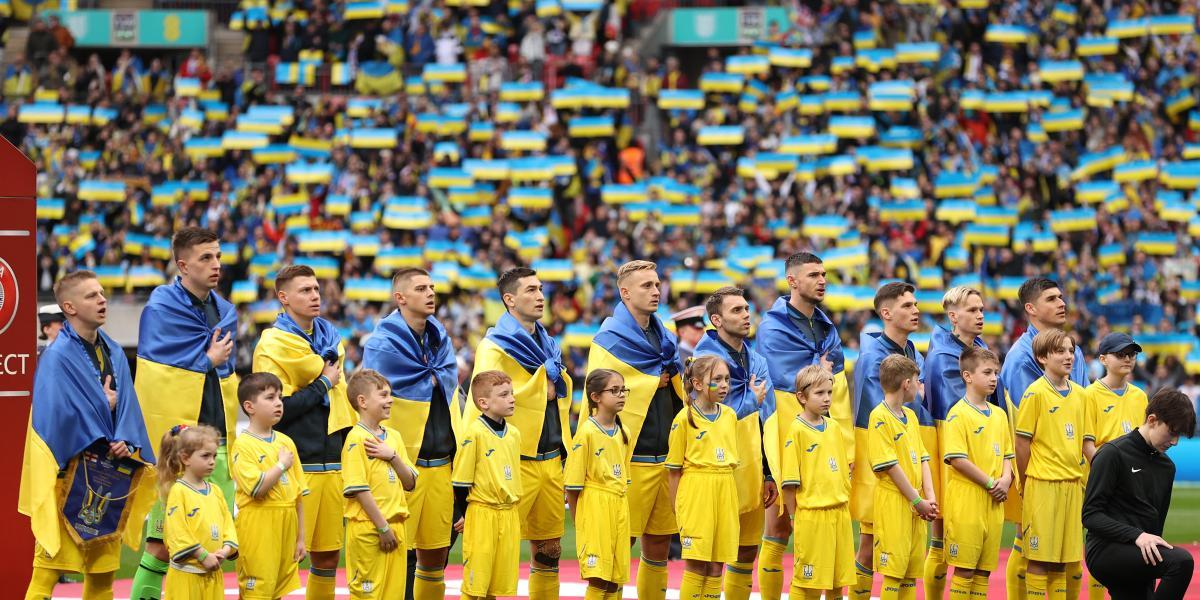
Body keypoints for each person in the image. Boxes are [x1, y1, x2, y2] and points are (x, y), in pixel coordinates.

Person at [20, 270, 156, 600]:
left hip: (108, 477)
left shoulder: (112, 350)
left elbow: (129, 405)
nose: (102, 300)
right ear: (69, 306)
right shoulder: (56, 357)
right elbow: (53, 418)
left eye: (102, 293)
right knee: (44, 578)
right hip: (67, 481)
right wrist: (102, 402)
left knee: (101, 581)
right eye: (91, 296)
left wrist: (127, 438)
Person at [132, 227, 240, 600]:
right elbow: (156, 373)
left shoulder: (225, 311)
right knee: (162, 546)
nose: (216, 265)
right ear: (182, 265)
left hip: (219, 439)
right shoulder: (162, 307)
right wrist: (206, 360)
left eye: (218, 257)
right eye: (206, 258)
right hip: (178, 442)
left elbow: (227, 373)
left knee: (213, 540)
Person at [466, 267, 571, 600]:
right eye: (530, 290)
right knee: (493, 554)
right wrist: (544, 385)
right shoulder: (494, 346)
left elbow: (558, 388)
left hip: (551, 459)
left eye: (540, 289)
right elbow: (483, 401)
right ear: (509, 300)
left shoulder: (549, 344)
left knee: (549, 551)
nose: (540, 296)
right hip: (513, 461)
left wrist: (550, 383)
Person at [586, 260, 685, 600]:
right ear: (625, 292)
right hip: (631, 458)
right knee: (618, 543)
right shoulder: (608, 338)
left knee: (659, 543)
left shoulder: (665, 337)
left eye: (657, 284)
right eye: (646, 286)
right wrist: (649, 382)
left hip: (667, 457)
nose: (656, 291)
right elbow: (596, 391)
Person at [252, 264, 352, 600]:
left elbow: (342, 402)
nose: (314, 296)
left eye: (316, 290)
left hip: (332, 464)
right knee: (282, 559)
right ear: (283, 297)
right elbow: (277, 411)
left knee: (327, 557)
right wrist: (323, 382)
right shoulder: (272, 344)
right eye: (305, 290)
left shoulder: (331, 342)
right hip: (293, 465)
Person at [360, 268, 459, 600]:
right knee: (400, 553)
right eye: (421, 288)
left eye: (432, 286)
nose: (431, 292)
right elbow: (370, 399)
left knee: (437, 553)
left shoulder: (440, 338)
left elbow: (446, 387)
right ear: (400, 298)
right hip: (401, 465)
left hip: (442, 462)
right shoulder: (381, 343)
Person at [755, 252, 848, 600]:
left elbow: (831, 381)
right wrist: (818, 366)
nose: (822, 280)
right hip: (784, 434)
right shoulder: (772, 328)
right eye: (813, 275)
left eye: (824, 274)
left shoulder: (827, 327)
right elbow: (782, 385)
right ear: (792, 281)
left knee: (827, 525)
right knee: (778, 526)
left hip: (823, 435)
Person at [1000, 277, 1090, 600]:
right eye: (1052, 299)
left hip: (1069, 469)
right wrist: (1023, 479)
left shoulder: (1071, 351)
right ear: (1031, 309)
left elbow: (1081, 404)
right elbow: (1028, 427)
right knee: (1029, 549)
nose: (1061, 303)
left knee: (1067, 554)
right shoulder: (1021, 358)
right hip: (1036, 471)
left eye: (1062, 297)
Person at [922, 286, 1007, 599]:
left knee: (970, 554)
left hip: (982, 454)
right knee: (941, 538)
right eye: (973, 310)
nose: (981, 315)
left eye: (982, 309)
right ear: (953, 316)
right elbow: (949, 409)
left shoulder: (978, 348)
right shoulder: (944, 354)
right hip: (950, 450)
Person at [693, 286, 774, 600]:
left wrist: (768, 472)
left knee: (747, 550)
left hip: (752, 466)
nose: (745, 315)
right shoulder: (703, 361)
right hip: (717, 469)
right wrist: (751, 401)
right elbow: (710, 419)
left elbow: (767, 420)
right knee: (712, 558)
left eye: (746, 309)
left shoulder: (756, 359)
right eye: (736, 310)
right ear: (717, 319)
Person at [852, 282, 929, 600]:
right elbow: (883, 410)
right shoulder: (873, 356)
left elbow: (917, 404)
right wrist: (917, 398)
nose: (916, 310)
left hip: (905, 455)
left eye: (915, 304)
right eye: (907, 306)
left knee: (904, 552)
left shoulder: (911, 351)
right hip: (880, 463)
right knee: (870, 546)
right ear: (886, 313)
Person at [1083, 389, 1196, 599]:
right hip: (1105, 550)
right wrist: (1137, 536)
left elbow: (1156, 524)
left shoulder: (1167, 467)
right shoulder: (1112, 453)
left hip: (1141, 551)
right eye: (1172, 432)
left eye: (1179, 435)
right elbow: (1090, 516)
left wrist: (1150, 572)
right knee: (1181, 562)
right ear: (1152, 420)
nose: (1175, 442)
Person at [1014, 329, 1087, 600]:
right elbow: (1022, 444)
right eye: (1060, 351)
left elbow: (1082, 441)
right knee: (1038, 558)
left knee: (1062, 560)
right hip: (1042, 485)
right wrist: (1025, 482)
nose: (1068, 356)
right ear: (1042, 357)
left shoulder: (1081, 395)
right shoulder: (1035, 393)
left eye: (1071, 351)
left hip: (1072, 485)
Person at [941, 347, 1014, 599]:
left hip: (994, 501)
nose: (994, 378)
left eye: (996, 372)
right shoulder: (957, 414)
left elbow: (1008, 455)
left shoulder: (1000, 415)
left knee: (983, 572)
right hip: (968, 501)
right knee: (965, 570)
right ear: (967, 376)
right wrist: (993, 483)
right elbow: (957, 459)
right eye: (987, 372)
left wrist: (1006, 479)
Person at [667, 355, 740, 600]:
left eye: (727, 380)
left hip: (725, 491)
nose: (724, 385)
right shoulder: (683, 419)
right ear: (698, 384)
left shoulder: (730, 415)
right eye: (717, 379)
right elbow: (674, 470)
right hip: (696, 493)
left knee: (718, 565)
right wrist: (678, 507)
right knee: (697, 563)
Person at [342, 369, 419, 599]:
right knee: (369, 594)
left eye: (390, 394)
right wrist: (382, 527)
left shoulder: (393, 437)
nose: (390, 400)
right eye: (383, 395)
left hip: (397, 528)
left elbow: (410, 482)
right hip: (371, 530)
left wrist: (392, 456)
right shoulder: (356, 438)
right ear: (362, 402)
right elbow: (359, 489)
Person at [780, 365, 855, 600]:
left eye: (829, 393)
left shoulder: (833, 426)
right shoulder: (797, 430)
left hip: (839, 514)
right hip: (812, 515)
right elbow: (789, 484)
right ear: (801, 397)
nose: (826, 399)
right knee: (808, 582)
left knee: (837, 581)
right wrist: (795, 517)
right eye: (819, 393)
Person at [230, 373, 307, 600]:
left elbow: (298, 495)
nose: (278, 403)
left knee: (276, 589)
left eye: (280, 398)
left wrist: (301, 538)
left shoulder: (286, 441)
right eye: (270, 397)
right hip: (258, 525)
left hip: (286, 524)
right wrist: (281, 465)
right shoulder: (243, 445)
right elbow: (257, 489)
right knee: (257, 589)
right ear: (249, 406)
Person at [868, 355, 938, 600]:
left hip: (916, 502)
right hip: (895, 502)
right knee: (894, 572)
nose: (920, 386)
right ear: (906, 384)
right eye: (918, 381)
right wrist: (917, 500)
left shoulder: (911, 416)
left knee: (910, 572)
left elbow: (923, 458)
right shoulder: (879, 417)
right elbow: (890, 467)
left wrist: (930, 498)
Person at [451, 370, 523, 600]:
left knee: (495, 585)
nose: (512, 398)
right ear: (483, 403)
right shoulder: (474, 433)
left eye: (511, 393)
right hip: (482, 514)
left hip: (509, 514)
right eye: (503, 395)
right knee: (475, 586)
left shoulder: (514, 434)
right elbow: (461, 482)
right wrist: (465, 514)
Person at [566, 369, 633, 600]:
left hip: (619, 507)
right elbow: (572, 487)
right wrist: (581, 522)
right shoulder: (586, 433)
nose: (621, 395)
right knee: (598, 578)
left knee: (615, 578)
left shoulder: (625, 432)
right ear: (596, 397)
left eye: (623, 389)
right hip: (595, 508)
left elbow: (624, 476)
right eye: (614, 390)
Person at [159, 424, 237, 600]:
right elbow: (177, 532)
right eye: (205, 456)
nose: (212, 461)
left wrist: (225, 550)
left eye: (214, 456)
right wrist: (202, 555)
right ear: (185, 458)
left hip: (213, 575)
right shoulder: (179, 491)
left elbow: (228, 525)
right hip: (186, 578)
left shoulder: (216, 491)